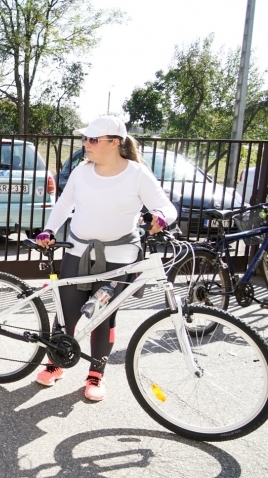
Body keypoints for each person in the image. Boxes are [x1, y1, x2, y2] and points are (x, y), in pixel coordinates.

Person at [34, 116, 177, 402]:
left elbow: (167, 207)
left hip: (119, 259)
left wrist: (160, 217)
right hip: (77, 252)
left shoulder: (136, 174)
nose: (86, 144)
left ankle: (96, 374)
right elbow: (64, 203)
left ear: (114, 143)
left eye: (93, 140)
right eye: (85, 139)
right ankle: (56, 362)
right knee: (67, 312)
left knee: (102, 316)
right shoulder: (82, 172)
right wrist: (49, 228)